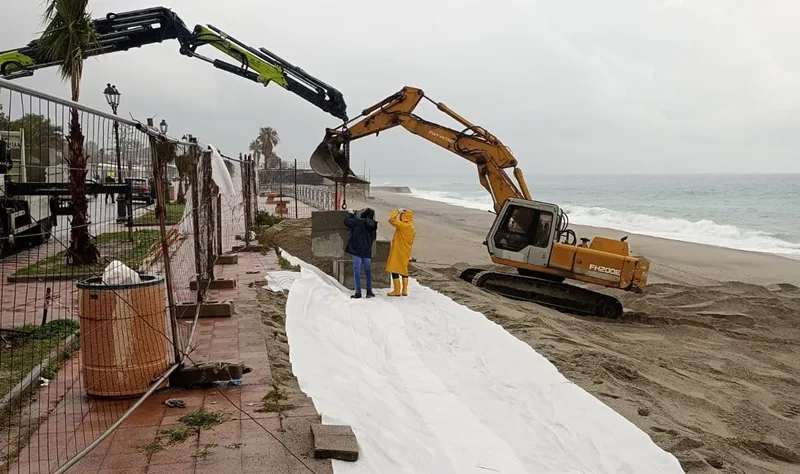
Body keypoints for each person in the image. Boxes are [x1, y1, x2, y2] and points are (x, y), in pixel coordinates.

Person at [344, 208, 378, 299]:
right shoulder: (373, 226)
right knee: (367, 271)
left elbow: (346, 222)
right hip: (366, 251)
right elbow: (374, 238)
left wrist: (350, 214)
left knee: (357, 271)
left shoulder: (358, 221)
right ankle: (369, 291)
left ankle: (358, 292)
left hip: (356, 250)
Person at [385, 208, 416, 297]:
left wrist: (397, 211)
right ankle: (405, 290)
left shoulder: (403, 226)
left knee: (394, 269)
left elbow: (391, 220)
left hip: (398, 250)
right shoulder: (412, 228)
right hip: (406, 250)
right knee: (403, 269)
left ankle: (397, 290)